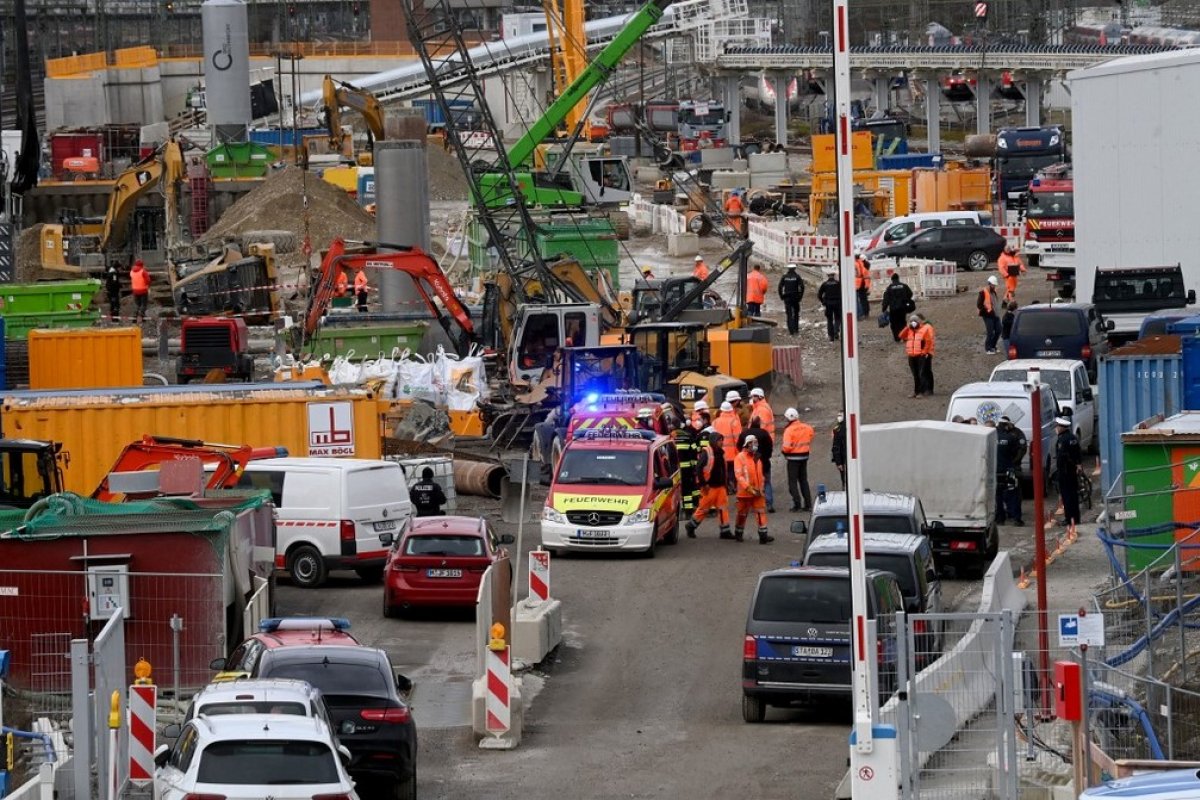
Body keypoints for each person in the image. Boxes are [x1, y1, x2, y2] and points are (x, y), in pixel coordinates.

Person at [687, 428, 733, 540]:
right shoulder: (707, 452)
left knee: (723, 508)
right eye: (719, 440)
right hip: (709, 487)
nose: (721, 442)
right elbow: (699, 468)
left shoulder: (721, 453)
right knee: (703, 509)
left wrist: (726, 485)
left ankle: (725, 531)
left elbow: (723, 469)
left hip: (720, 486)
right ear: (713, 441)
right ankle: (691, 526)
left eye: (722, 440)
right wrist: (703, 483)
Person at [734, 435, 773, 544]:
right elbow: (739, 476)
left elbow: (760, 475)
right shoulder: (740, 457)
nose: (755, 445)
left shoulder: (756, 458)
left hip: (757, 492)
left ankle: (763, 536)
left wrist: (761, 489)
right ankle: (738, 533)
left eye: (756, 442)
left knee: (761, 512)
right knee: (742, 514)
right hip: (745, 493)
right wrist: (749, 488)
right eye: (752, 442)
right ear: (747, 444)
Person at [995, 415, 1027, 526]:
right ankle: (1016, 518)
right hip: (1009, 470)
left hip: (995, 471)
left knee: (998, 496)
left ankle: (1000, 519)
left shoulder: (990, 437)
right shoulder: (1011, 438)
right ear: (1006, 425)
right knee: (1013, 494)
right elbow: (1017, 452)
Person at [739, 415, 775, 513]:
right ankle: (769, 504)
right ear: (759, 425)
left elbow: (739, 447)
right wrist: (766, 457)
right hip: (764, 463)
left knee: (751, 484)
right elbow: (770, 447)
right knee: (766, 482)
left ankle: (752, 504)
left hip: (749, 464)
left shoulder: (744, 434)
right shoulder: (764, 433)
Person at [781, 407, 814, 511]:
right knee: (803, 480)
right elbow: (811, 436)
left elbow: (786, 447)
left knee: (793, 482)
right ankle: (808, 504)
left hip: (792, 458)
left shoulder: (788, 430)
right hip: (804, 457)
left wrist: (784, 451)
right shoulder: (807, 427)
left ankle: (797, 504)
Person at [671, 408, 700, 516]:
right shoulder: (687, 436)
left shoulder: (670, 437)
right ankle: (688, 511)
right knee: (687, 489)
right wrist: (694, 466)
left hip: (674, 470)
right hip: (687, 469)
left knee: (675, 490)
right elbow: (694, 450)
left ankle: (677, 511)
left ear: (673, 426)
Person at [1055, 415, 1083, 527]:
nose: (1056, 428)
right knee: (1074, 496)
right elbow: (1078, 453)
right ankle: (1076, 518)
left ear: (1062, 427)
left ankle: (1069, 519)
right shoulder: (1073, 437)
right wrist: (1078, 465)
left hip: (1065, 472)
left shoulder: (1062, 440)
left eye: (1057, 426)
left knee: (1067, 496)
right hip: (1073, 471)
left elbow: (1062, 456)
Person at [899, 313, 935, 397]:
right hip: (912, 354)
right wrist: (907, 327)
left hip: (922, 354)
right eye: (911, 321)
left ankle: (925, 390)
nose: (913, 322)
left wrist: (925, 352)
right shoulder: (910, 330)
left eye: (915, 321)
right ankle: (918, 391)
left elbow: (929, 341)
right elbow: (901, 336)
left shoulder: (926, 328)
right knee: (916, 373)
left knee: (923, 372)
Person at [713, 401, 742, 493]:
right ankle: (732, 487)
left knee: (722, 470)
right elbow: (738, 439)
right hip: (732, 453)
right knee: (732, 471)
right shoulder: (734, 421)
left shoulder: (715, 422)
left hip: (719, 452)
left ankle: (725, 488)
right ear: (730, 410)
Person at [880, 272, 915, 342]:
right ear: (898, 279)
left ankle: (897, 338)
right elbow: (910, 293)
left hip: (893, 309)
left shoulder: (889, 288)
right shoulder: (904, 286)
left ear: (892, 280)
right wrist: (906, 300)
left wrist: (884, 308)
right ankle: (905, 337)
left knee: (894, 324)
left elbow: (886, 299)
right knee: (902, 322)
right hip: (902, 308)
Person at [777, 263, 805, 335]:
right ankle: (796, 329)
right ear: (795, 269)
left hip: (787, 297)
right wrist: (800, 296)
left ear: (788, 269)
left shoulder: (784, 277)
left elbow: (780, 287)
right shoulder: (797, 277)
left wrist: (781, 296)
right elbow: (802, 287)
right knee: (796, 313)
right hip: (795, 297)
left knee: (789, 314)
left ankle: (791, 331)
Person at [978, 275, 1002, 354]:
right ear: (989, 284)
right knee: (990, 332)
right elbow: (979, 305)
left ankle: (993, 346)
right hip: (988, 316)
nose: (994, 286)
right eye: (993, 285)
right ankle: (988, 348)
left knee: (998, 330)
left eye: (995, 285)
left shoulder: (994, 291)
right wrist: (987, 311)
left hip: (995, 315)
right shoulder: (982, 292)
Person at [817, 268, 842, 342]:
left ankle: (831, 336)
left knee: (829, 320)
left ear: (828, 276)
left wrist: (823, 302)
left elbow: (819, 294)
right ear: (834, 276)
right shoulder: (838, 283)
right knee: (838, 318)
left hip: (828, 304)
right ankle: (836, 330)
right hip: (837, 303)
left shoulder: (825, 284)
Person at [130, 259, 150, 323]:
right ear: (142, 265)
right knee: (143, 304)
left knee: (137, 304)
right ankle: (141, 316)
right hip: (143, 290)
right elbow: (148, 280)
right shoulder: (143, 271)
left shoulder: (131, 271)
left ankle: (134, 316)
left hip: (135, 290)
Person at [854, 251, 872, 320]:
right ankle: (866, 313)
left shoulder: (856, 263)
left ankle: (862, 314)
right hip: (864, 282)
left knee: (860, 299)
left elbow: (857, 274)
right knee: (864, 299)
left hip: (859, 283)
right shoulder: (862, 263)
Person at [831, 412, 847, 489]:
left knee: (845, 481)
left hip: (843, 460)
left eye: (840, 415)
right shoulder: (840, 428)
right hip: (845, 459)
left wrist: (838, 462)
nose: (838, 417)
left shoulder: (837, 430)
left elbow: (836, 447)